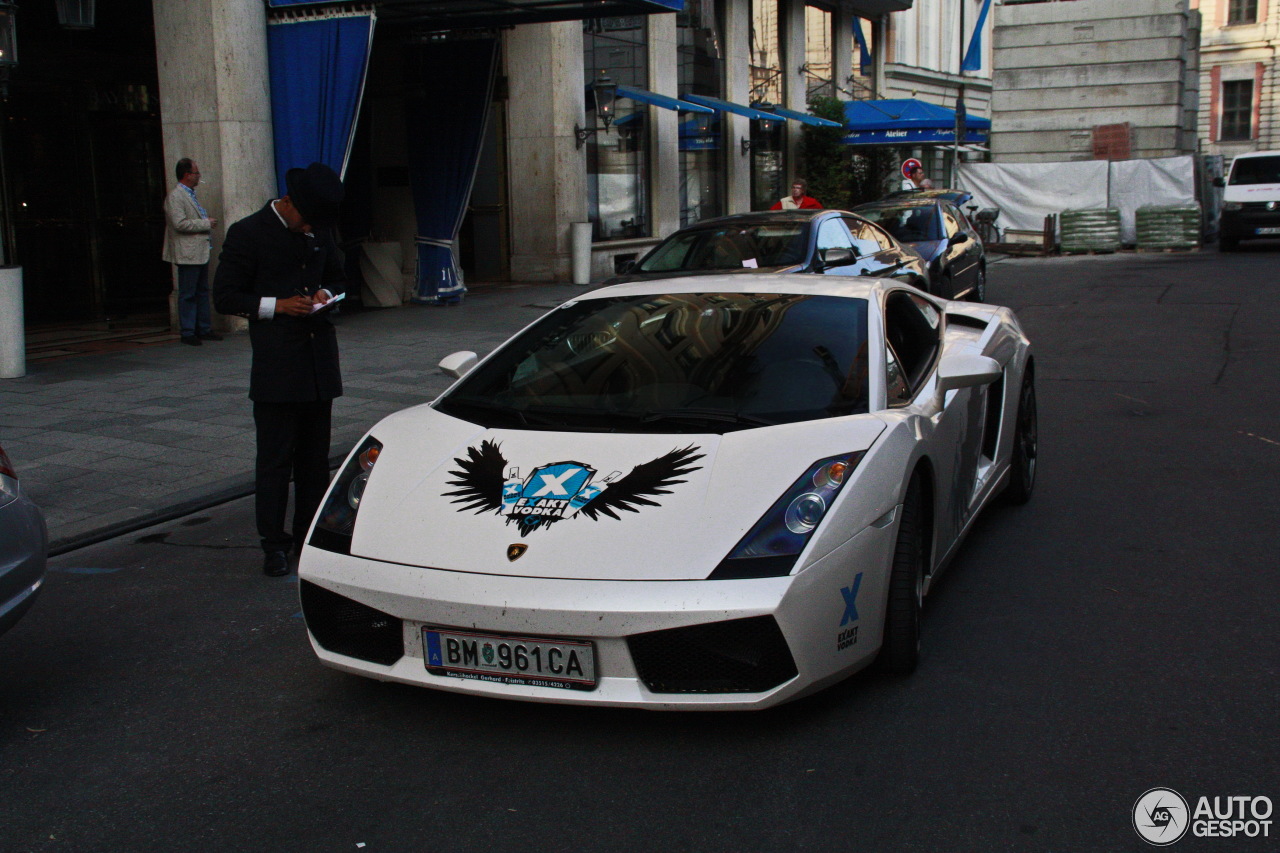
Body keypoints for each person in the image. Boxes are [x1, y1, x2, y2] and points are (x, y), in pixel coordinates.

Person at [213, 162, 346, 577]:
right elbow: (225, 296)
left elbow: (341, 277)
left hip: (318, 362)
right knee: (274, 461)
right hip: (277, 364)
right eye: (305, 222)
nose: (310, 230)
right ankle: (273, 542)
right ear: (287, 204)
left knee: (314, 460)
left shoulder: (320, 228)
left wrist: (327, 293)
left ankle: (308, 535)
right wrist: (278, 305)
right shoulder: (248, 232)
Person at [162, 158, 221, 346]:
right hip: (187, 253)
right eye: (196, 173)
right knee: (188, 293)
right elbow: (179, 223)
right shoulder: (176, 197)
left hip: (199, 251)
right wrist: (206, 223)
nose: (199, 176)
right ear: (187, 175)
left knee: (202, 291)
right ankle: (188, 331)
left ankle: (203, 328)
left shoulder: (191, 194)